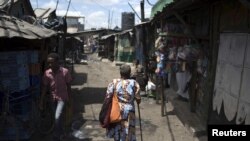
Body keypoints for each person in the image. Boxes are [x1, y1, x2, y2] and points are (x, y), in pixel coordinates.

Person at [39, 53, 72, 141]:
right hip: (52, 98)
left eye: (52, 62)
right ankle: (62, 133)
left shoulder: (65, 72)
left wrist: (69, 100)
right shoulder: (47, 73)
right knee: (57, 118)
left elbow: (69, 86)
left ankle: (56, 136)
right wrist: (41, 101)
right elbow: (45, 88)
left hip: (62, 98)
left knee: (57, 116)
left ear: (57, 62)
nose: (50, 65)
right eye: (48, 63)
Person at [105, 64, 141, 141]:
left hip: (117, 110)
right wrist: (135, 99)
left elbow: (108, 97)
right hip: (129, 111)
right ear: (130, 73)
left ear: (120, 73)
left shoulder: (114, 82)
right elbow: (138, 99)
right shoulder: (134, 83)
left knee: (118, 130)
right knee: (129, 131)